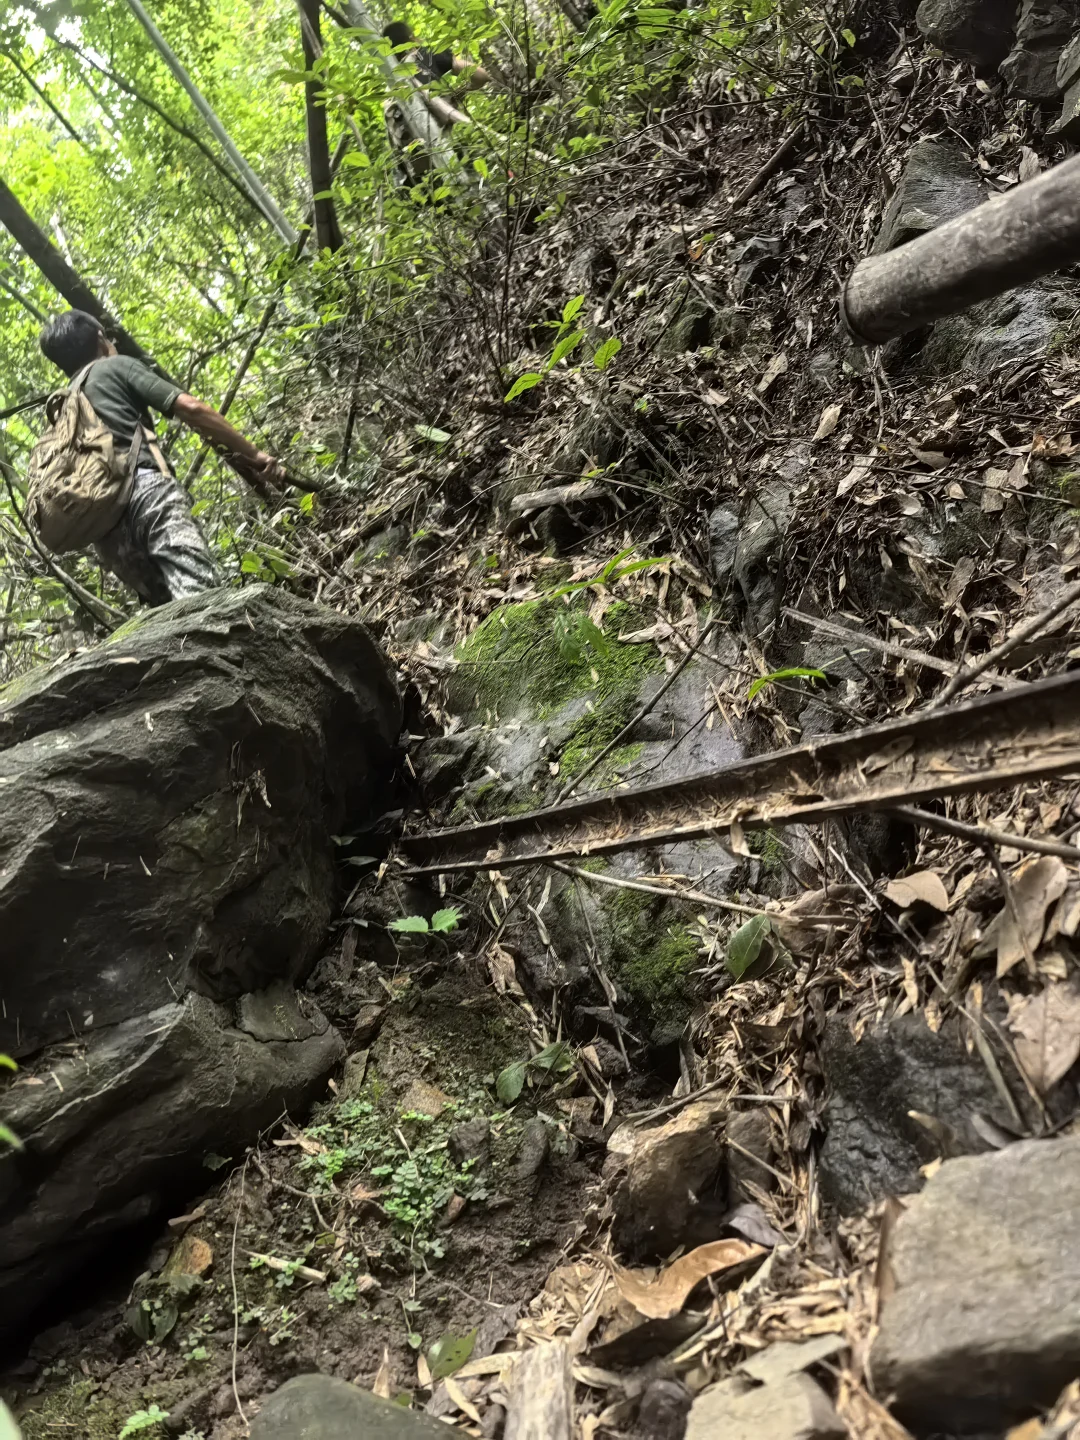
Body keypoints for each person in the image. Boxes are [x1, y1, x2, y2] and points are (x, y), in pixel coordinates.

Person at [38, 310, 286, 607]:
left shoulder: (61, 407)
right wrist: (255, 454)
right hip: (146, 492)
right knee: (201, 600)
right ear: (101, 339)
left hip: (103, 526)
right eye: (108, 335)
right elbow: (191, 409)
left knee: (167, 611)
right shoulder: (116, 366)